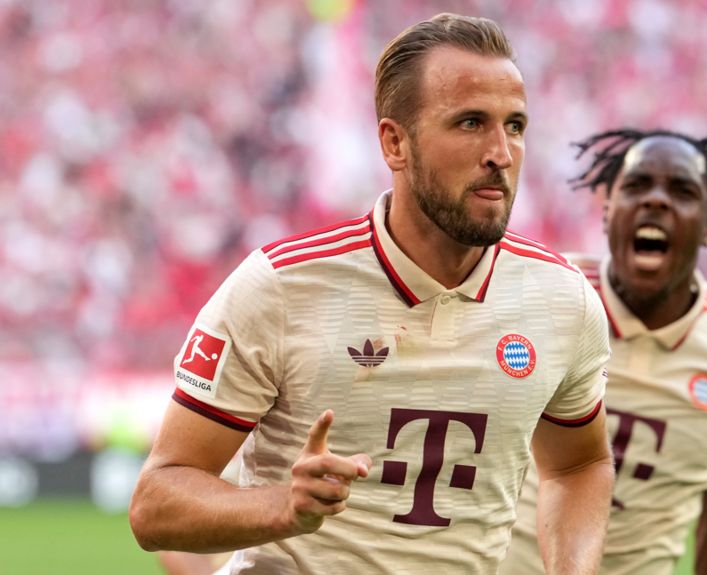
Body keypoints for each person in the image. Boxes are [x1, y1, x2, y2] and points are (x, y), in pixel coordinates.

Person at [129, 13, 615, 574]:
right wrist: (281, 507)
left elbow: (579, 466)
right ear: (395, 143)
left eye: (516, 125)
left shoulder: (563, 301)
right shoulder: (281, 287)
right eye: (470, 123)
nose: (501, 153)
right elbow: (155, 503)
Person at [500, 97, 707, 575]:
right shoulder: (533, 299)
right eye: (636, 186)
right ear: (608, 213)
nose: (656, 200)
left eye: (682, 191)